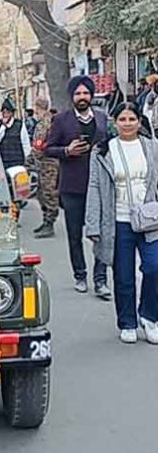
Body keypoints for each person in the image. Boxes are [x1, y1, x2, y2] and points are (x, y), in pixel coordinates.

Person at [86, 102, 158, 344]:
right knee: (123, 275)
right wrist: (93, 224)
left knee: (154, 267)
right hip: (118, 220)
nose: (127, 124)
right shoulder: (103, 151)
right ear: (114, 123)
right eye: (122, 120)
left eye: (132, 119)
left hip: (150, 220)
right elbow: (94, 187)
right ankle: (127, 322)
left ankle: (150, 316)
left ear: (139, 122)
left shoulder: (152, 147)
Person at [45, 75, 110, 298]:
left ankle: (100, 279)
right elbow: (47, 148)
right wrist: (66, 151)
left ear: (91, 95)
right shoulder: (62, 120)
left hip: (99, 187)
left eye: (85, 93)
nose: (82, 97)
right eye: (78, 94)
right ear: (72, 97)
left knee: (101, 233)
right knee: (75, 235)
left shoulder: (102, 119)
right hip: (72, 187)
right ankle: (80, 276)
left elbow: (109, 145)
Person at [29, 98, 60, 239]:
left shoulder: (47, 122)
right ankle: (45, 220)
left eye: (36, 107)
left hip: (49, 163)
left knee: (49, 193)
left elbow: (40, 144)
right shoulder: (42, 121)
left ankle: (50, 223)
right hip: (41, 163)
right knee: (41, 193)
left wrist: (34, 155)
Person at [0, 98, 31, 170]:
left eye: (8, 112)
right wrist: (3, 127)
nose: (5, 115)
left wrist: (27, 161)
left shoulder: (20, 125)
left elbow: (25, 144)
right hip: (2, 162)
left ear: (12, 113)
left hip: (17, 163)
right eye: (4, 112)